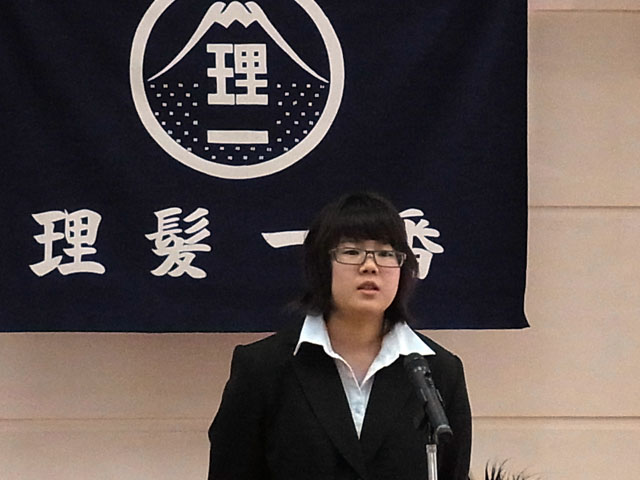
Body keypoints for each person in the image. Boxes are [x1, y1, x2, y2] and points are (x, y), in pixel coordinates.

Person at [208, 192, 471, 480]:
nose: (370, 266)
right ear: (322, 265)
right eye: (352, 252)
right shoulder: (263, 368)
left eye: (385, 253)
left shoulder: (438, 371)